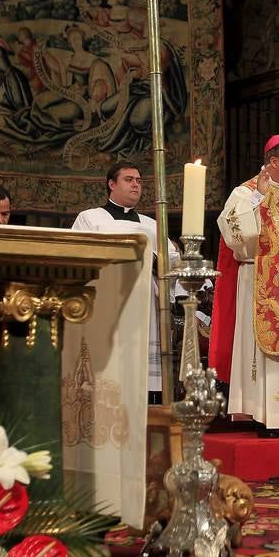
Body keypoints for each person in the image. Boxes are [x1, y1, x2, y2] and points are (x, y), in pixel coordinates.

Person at [209, 134, 279, 434]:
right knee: (269, 352)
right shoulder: (246, 193)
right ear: (273, 162)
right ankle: (266, 416)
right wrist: (260, 200)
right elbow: (238, 237)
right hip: (262, 288)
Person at [71, 161, 180, 403]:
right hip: (109, 300)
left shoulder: (152, 224)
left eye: (139, 181)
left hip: (146, 305)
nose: (136, 185)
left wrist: (153, 259)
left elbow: (173, 260)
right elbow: (80, 256)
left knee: (143, 378)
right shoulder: (90, 218)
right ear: (111, 184)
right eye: (129, 180)